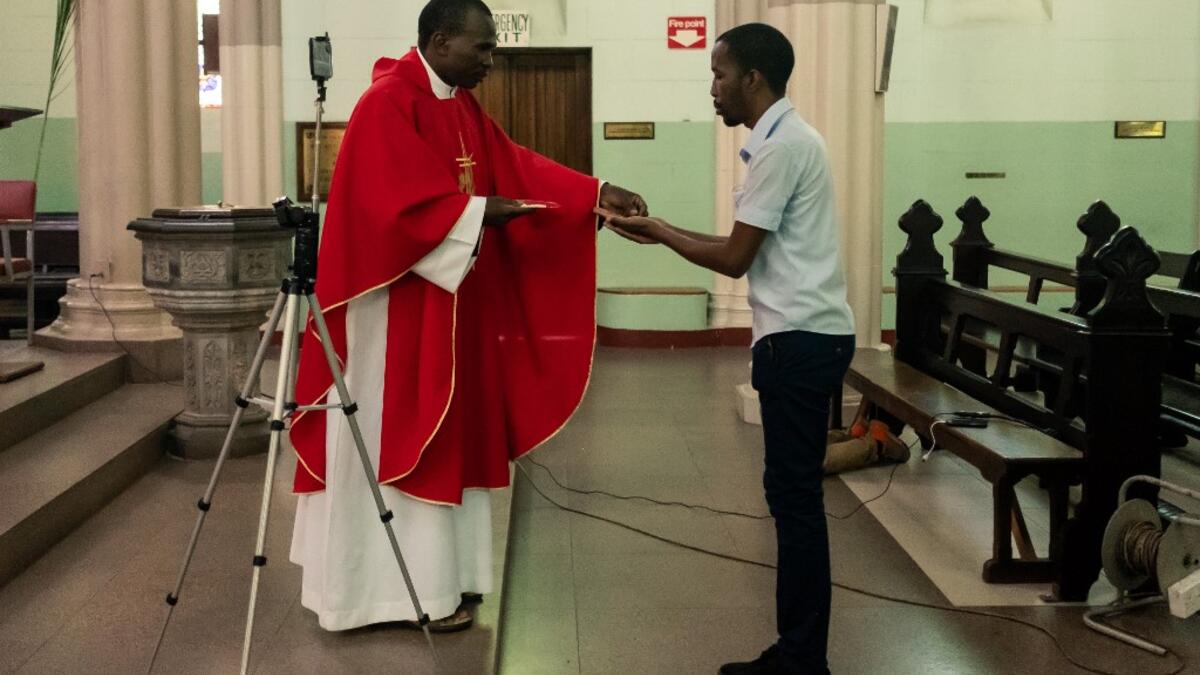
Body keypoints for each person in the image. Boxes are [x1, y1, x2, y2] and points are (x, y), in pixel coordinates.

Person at [288, 0, 646, 632]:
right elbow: (390, 209)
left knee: (452, 431)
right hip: (393, 312)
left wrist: (594, 192)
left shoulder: (458, 102)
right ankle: (387, 592)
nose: (490, 60)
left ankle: (446, 581)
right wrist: (479, 213)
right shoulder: (386, 103)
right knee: (393, 431)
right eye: (481, 48)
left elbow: (511, 163)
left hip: (448, 304)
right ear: (440, 38)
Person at [605, 23, 855, 675]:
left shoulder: (782, 147)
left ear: (753, 79)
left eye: (719, 75)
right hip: (801, 336)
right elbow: (741, 241)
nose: (712, 88)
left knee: (796, 500)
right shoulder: (781, 141)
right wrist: (659, 230)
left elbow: (736, 258)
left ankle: (802, 658)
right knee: (791, 495)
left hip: (800, 341)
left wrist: (657, 229)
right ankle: (798, 650)